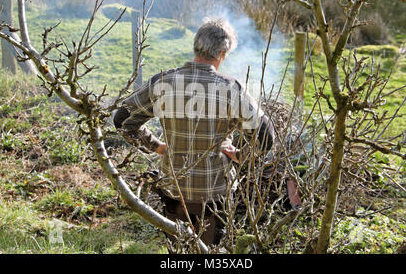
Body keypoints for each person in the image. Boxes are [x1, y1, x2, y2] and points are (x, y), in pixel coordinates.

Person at [114, 18, 281, 246]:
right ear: (221, 53)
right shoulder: (231, 89)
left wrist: (156, 146)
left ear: (195, 47)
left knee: (178, 248)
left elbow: (122, 119)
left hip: (173, 190)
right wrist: (241, 156)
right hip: (214, 194)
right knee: (210, 250)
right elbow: (266, 136)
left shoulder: (163, 81)